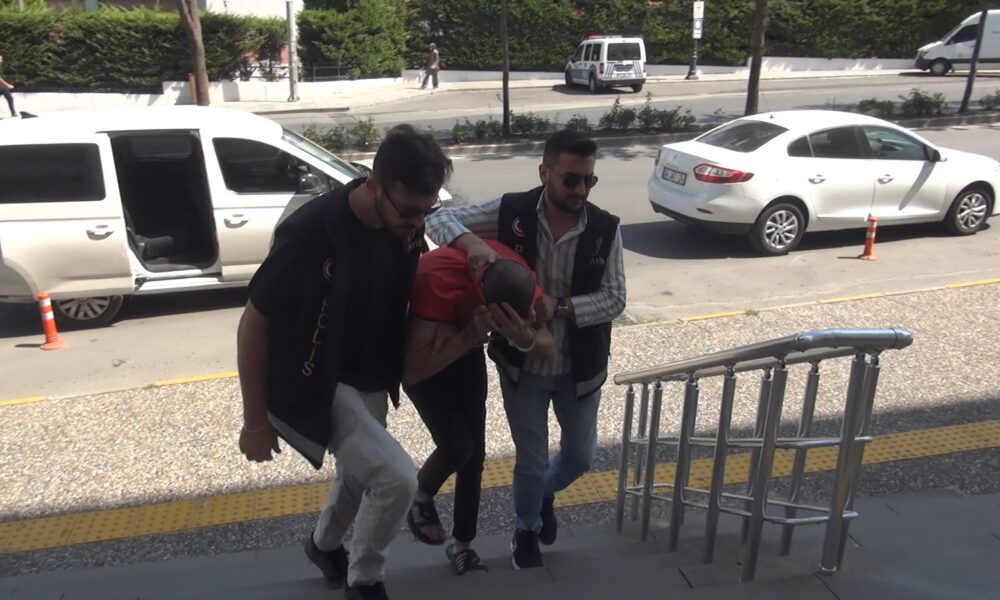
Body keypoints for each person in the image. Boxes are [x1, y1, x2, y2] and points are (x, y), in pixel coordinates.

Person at [236, 124, 452, 600]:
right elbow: (254, 320)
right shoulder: (312, 232)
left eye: (427, 210)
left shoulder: (404, 227)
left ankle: (323, 545)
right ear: (374, 187)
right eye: (409, 211)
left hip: (370, 372)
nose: (418, 223)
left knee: (359, 474)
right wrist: (255, 420)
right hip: (314, 375)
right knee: (397, 479)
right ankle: (365, 580)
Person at [425, 129, 626, 570]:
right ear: (544, 173)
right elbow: (437, 220)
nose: (581, 190)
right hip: (522, 366)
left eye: (589, 180)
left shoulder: (605, 228)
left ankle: (545, 494)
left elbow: (615, 299)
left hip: (579, 368)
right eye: (571, 179)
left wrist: (561, 306)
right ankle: (527, 529)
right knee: (531, 462)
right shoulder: (511, 211)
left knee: (581, 458)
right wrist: (474, 244)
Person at [402, 241, 554, 575]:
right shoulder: (436, 281)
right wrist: (467, 337)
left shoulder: (521, 279)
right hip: (425, 361)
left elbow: (547, 345)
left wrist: (525, 336)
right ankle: (420, 493)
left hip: (464, 348)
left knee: (476, 455)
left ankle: (464, 546)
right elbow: (412, 371)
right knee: (458, 446)